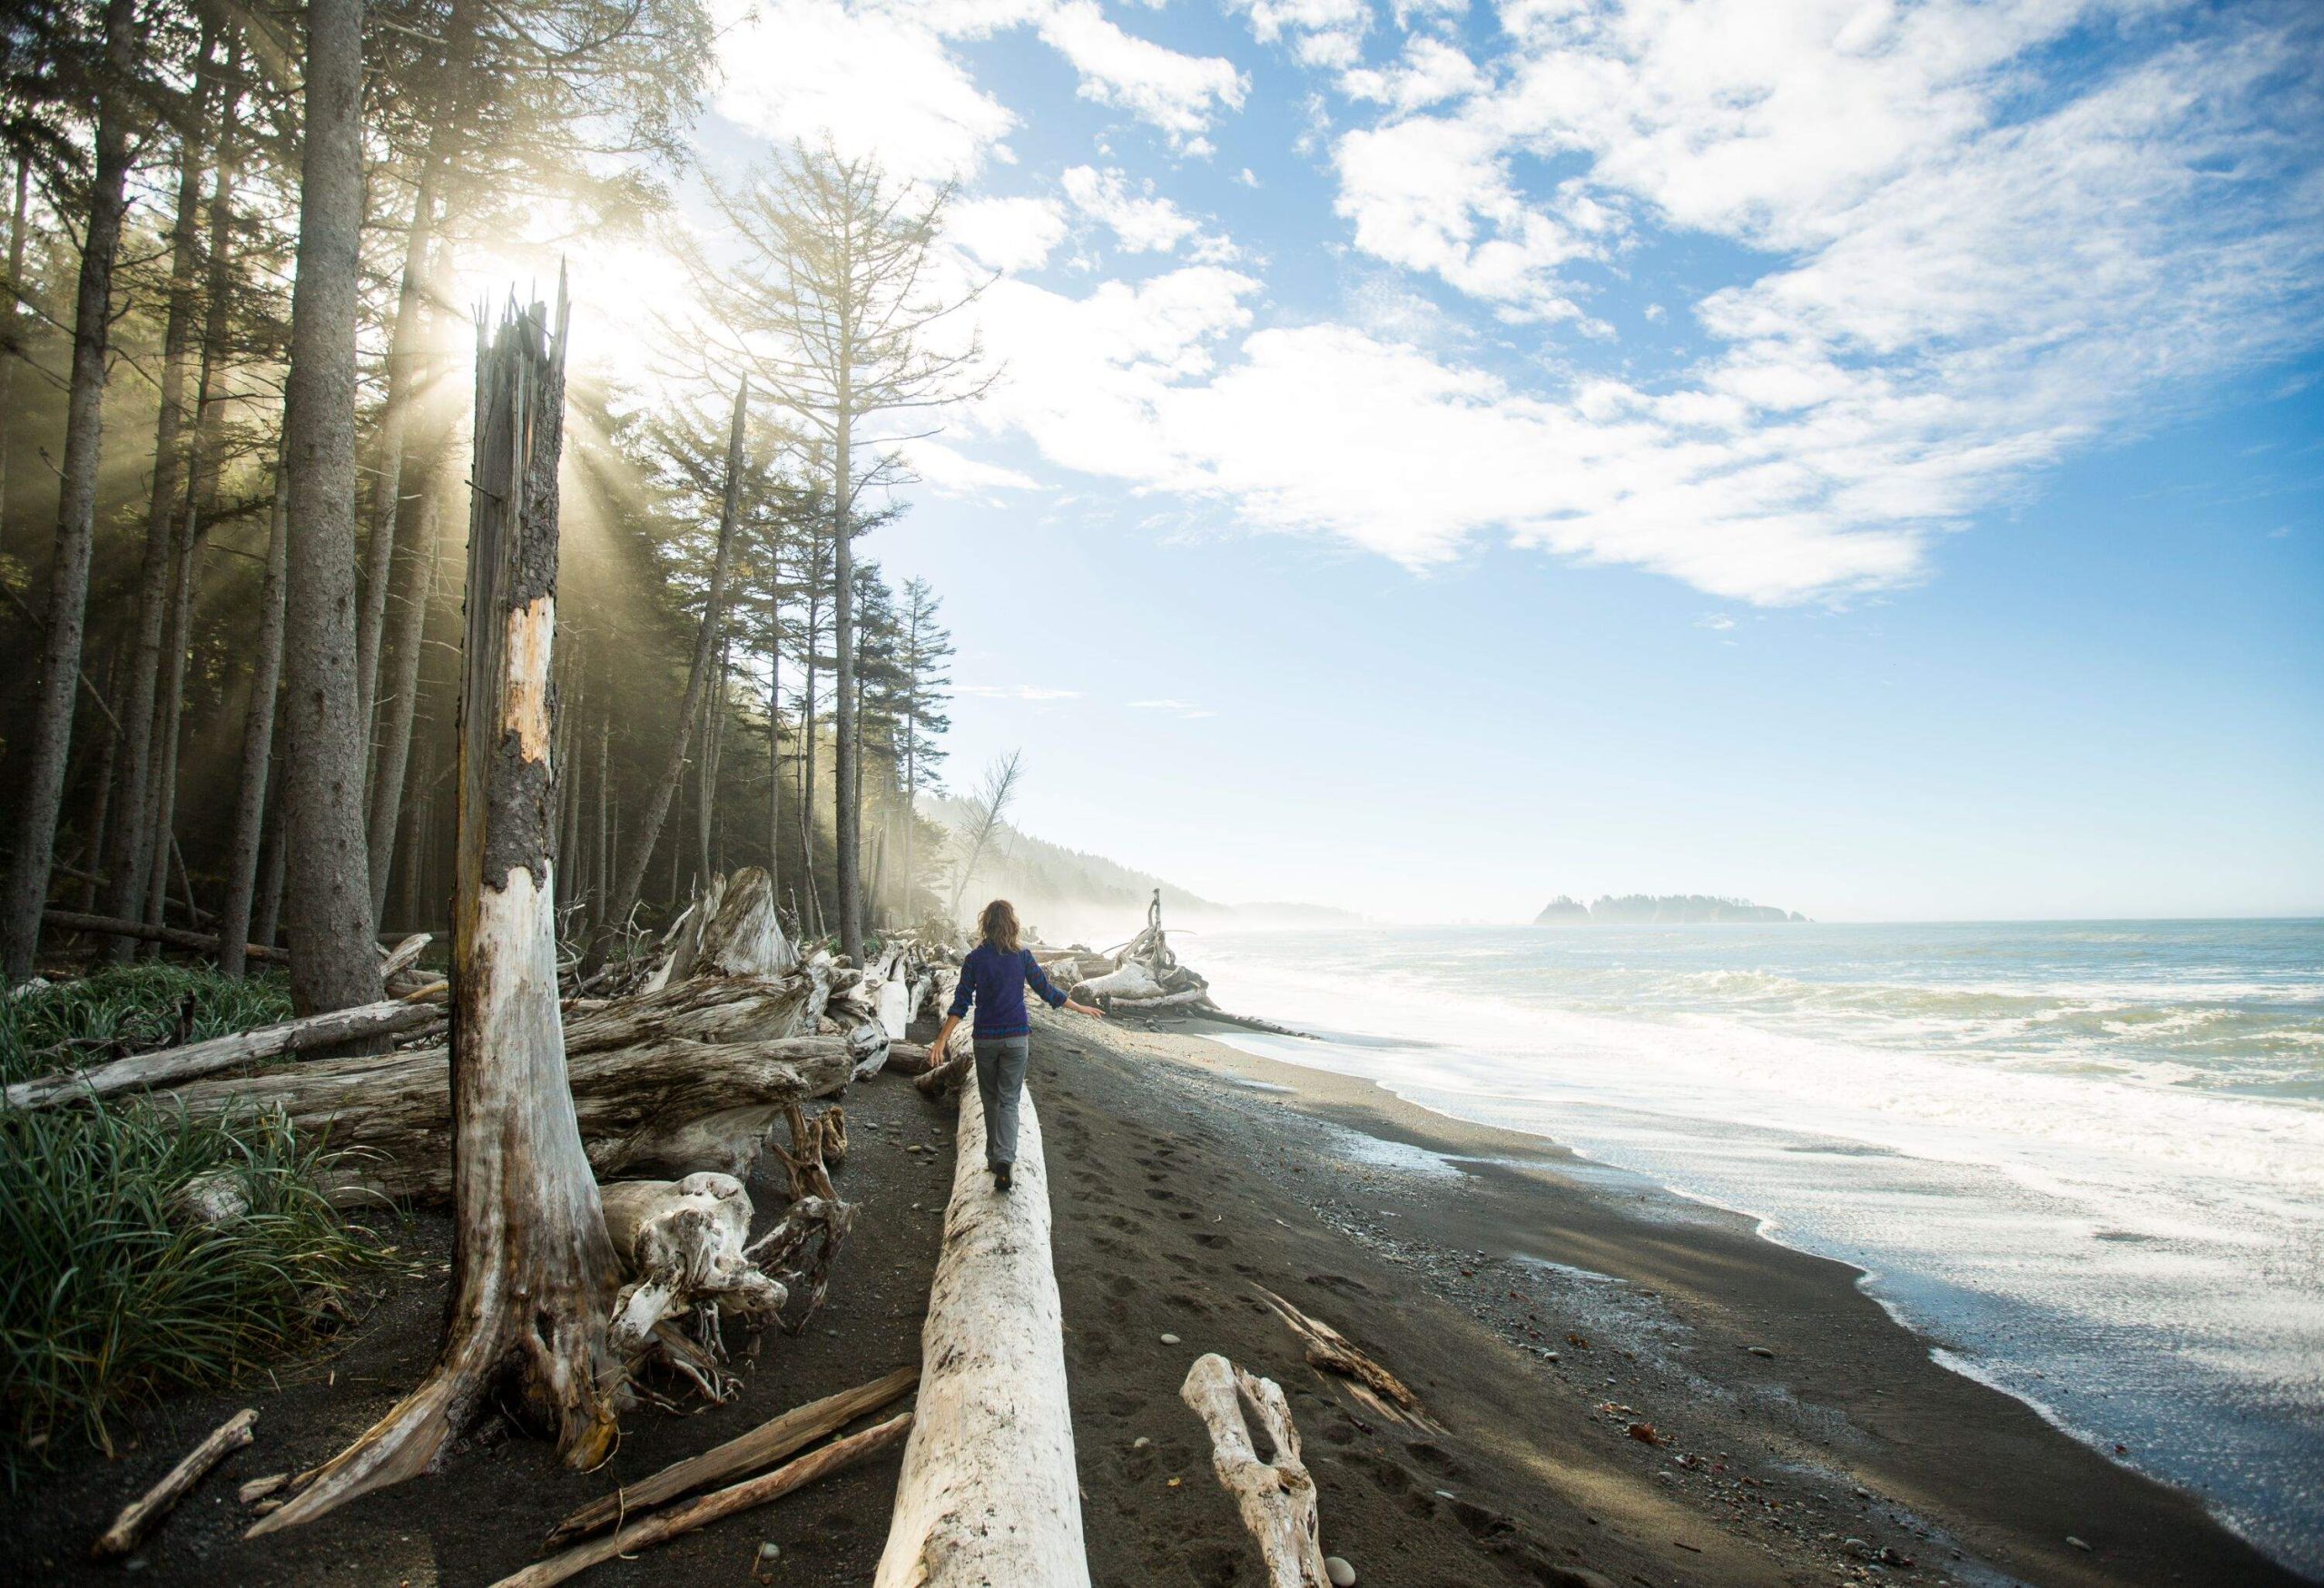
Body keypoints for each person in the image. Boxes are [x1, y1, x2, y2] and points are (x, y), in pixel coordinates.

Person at [930, 899, 1103, 1190]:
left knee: (991, 1099)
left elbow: (960, 1004)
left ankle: (992, 1156)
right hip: (1015, 1040)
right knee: (1009, 1100)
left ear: (985, 925)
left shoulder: (974, 959)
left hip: (985, 1040)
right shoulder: (1022, 957)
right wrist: (1081, 1008)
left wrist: (941, 1039)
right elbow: (1046, 991)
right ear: (1012, 924)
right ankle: (1004, 1160)